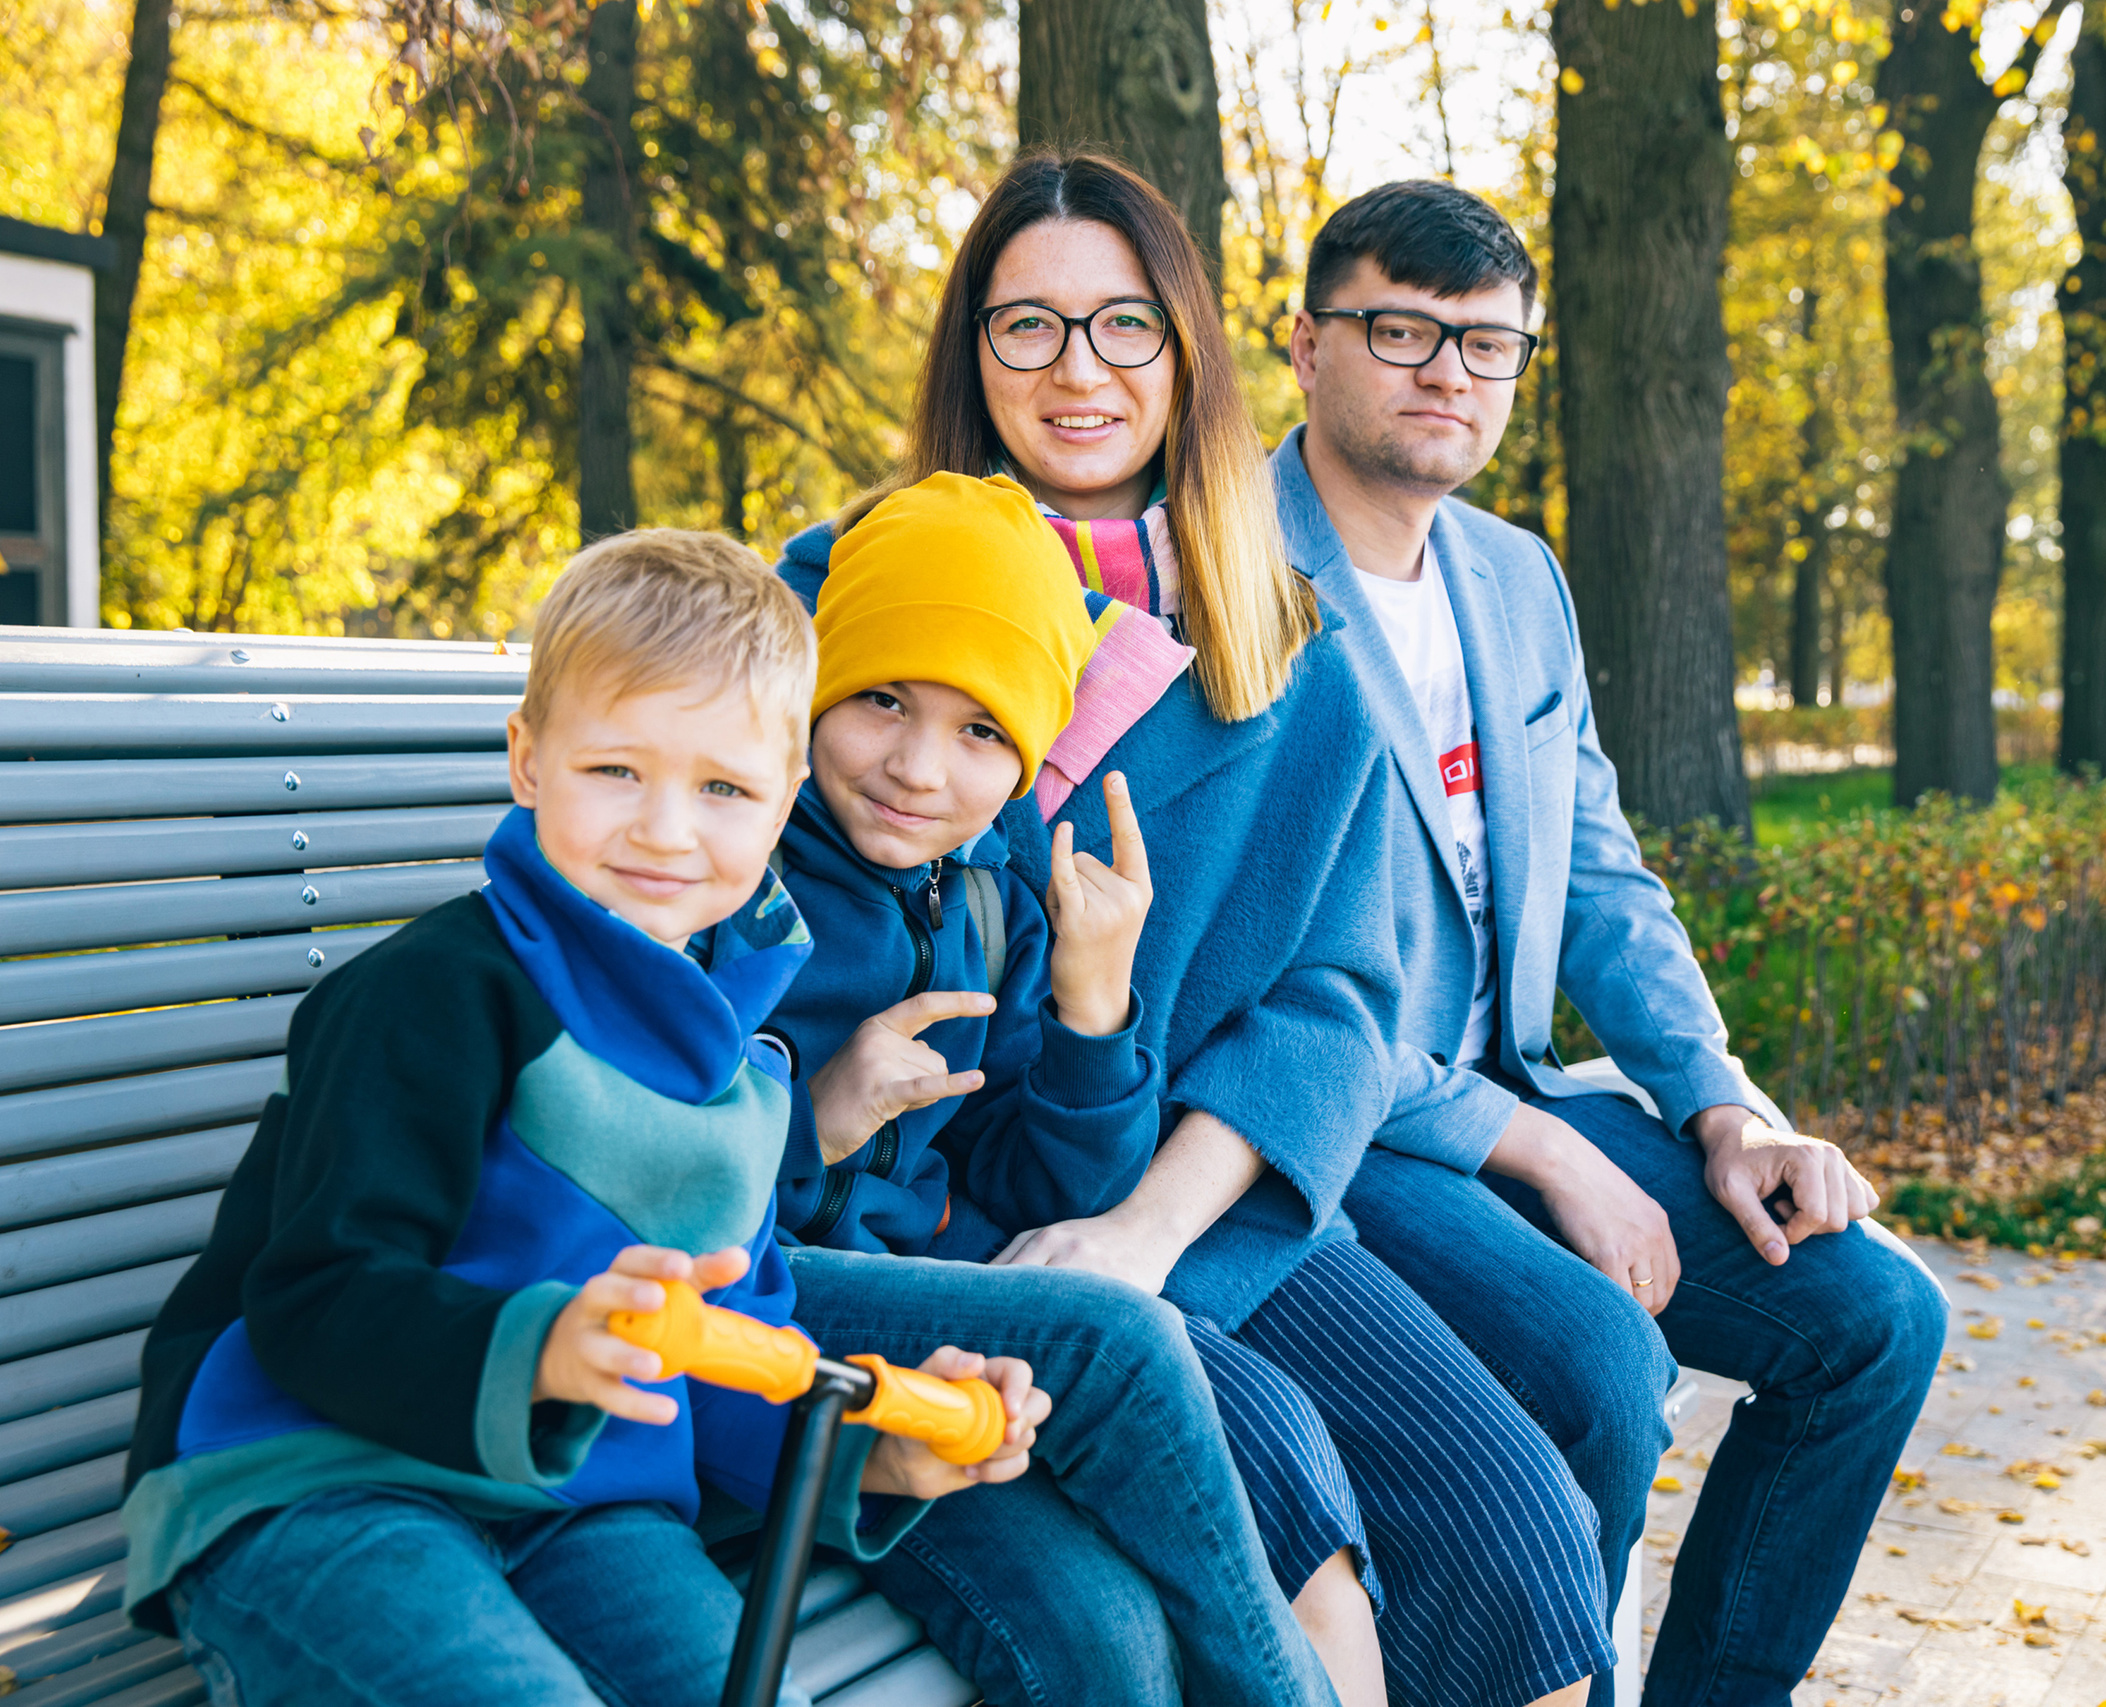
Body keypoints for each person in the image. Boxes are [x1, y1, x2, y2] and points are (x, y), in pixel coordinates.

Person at [776, 149, 1616, 1707]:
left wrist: (1152, 1224)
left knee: (1519, 1522)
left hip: (1193, 1194)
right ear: (973, 351)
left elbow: (1337, 993)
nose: (1078, 371)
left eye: (1125, 327)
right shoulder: (852, 592)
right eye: (1028, 327)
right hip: (951, 1214)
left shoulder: (1272, 633)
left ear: (1188, 354)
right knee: (1284, 1496)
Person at [116, 531, 1038, 1707]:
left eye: (722, 789)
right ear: (527, 760)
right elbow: (317, 1294)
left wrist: (877, 1453)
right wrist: (543, 1351)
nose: (665, 829)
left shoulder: (741, 1074)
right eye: (617, 771)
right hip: (323, 1479)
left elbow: (727, 1367)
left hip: (580, 1506)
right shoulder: (429, 995)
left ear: (781, 805)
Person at [1277, 180, 1951, 1707]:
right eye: (1402, 329)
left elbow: (1598, 868)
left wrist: (1725, 1108)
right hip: (1331, 1118)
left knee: (1877, 1315)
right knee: (1597, 1366)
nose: (1449, 369)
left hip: (1511, 1093)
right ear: (1308, 345)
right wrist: (1540, 1146)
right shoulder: (1226, 570)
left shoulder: (1517, 577)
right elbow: (1242, 969)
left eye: (1489, 344)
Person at [747, 470, 1344, 1706]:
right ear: (814, 683)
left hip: (929, 1354)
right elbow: (644, 1170)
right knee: (1121, 1339)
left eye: (980, 732)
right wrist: (820, 1125)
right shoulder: (739, 879)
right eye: (879, 702)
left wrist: (1090, 1006)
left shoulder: (979, 898)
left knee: (1104, 1640)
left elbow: (1042, 1184)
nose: (917, 766)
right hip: (757, 1316)